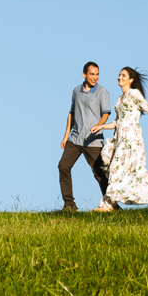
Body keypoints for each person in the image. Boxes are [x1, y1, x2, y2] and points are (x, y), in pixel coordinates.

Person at [92, 67, 148, 211]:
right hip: (120, 139)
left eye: (123, 75)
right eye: (119, 75)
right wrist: (101, 127)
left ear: (131, 80)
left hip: (132, 138)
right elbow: (117, 122)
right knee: (122, 169)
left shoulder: (134, 93)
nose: (119, 77)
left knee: (126, 169)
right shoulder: (120, 99)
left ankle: (109, 204)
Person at [57, 61, 111, 212]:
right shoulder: (76, 91)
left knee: (100, 174)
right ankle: (69, 204)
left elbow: (106, 113)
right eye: (92, 74)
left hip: (93, 140)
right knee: (63, 166)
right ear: (84, 75)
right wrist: (65, 135)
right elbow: (71, 113)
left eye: (97, 74)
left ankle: (112, 205)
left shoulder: (102, 92)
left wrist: (99, 125)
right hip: (75, 139)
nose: (95, 77)